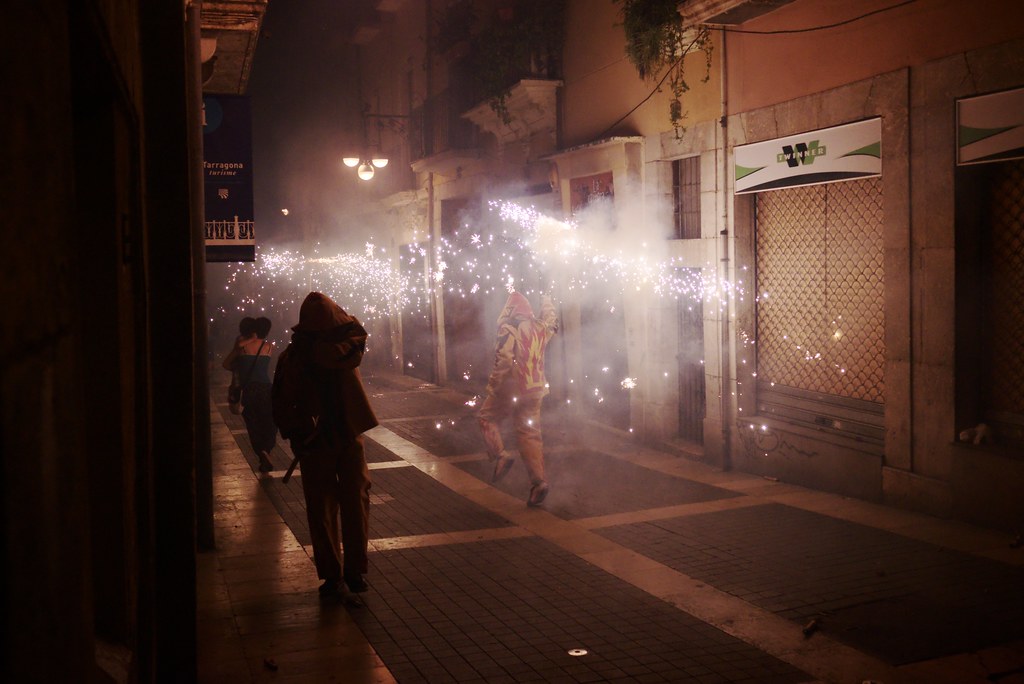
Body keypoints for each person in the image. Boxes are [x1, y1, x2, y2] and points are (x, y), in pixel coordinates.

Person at [272, 292, 379, 597]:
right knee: (351, 503)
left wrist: (295, 434)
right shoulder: (343, 348)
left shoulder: (298, 355)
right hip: (338, 436)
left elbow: (281, 400)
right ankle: (351, 572)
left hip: (321, 439)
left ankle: (335, 574)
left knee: (325, 507)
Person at [477, 290, 558, 507]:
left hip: (514, 388)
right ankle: (539, 483)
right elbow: (552, 322)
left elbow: (504, 360)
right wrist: (547, 300)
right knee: (529, 434)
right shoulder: (540, 327)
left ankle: (501, 455)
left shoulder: (509, 328)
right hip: (536, 389)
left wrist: (493, 387)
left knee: (486, 417)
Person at [223, 316, 277, 472]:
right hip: (266, 389)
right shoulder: (269, 347)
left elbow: (226, 364)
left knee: (253, 423)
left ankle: (261, 452)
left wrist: (239, 366)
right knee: (270, 422)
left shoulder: (242, 347)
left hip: (248, 390)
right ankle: (266, 450)